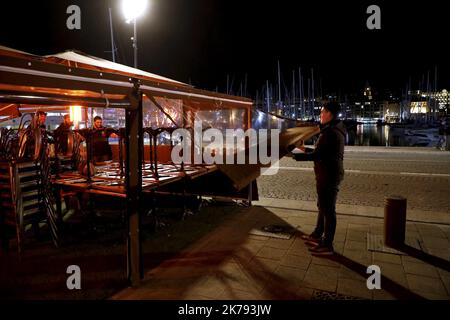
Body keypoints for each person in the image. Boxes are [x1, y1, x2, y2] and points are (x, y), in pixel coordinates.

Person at [291, 102, 346, 255]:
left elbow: (317, 155)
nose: (320, 115)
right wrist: (303, 149)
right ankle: (318, 235)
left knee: (328, 209)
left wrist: (296, 154)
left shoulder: (330, 132)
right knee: (323, 206)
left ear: (330, 114)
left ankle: (327, 245)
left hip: (328, 174)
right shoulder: (336, 128)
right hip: (329, 173)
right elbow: (321, 151)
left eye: (322, 112)